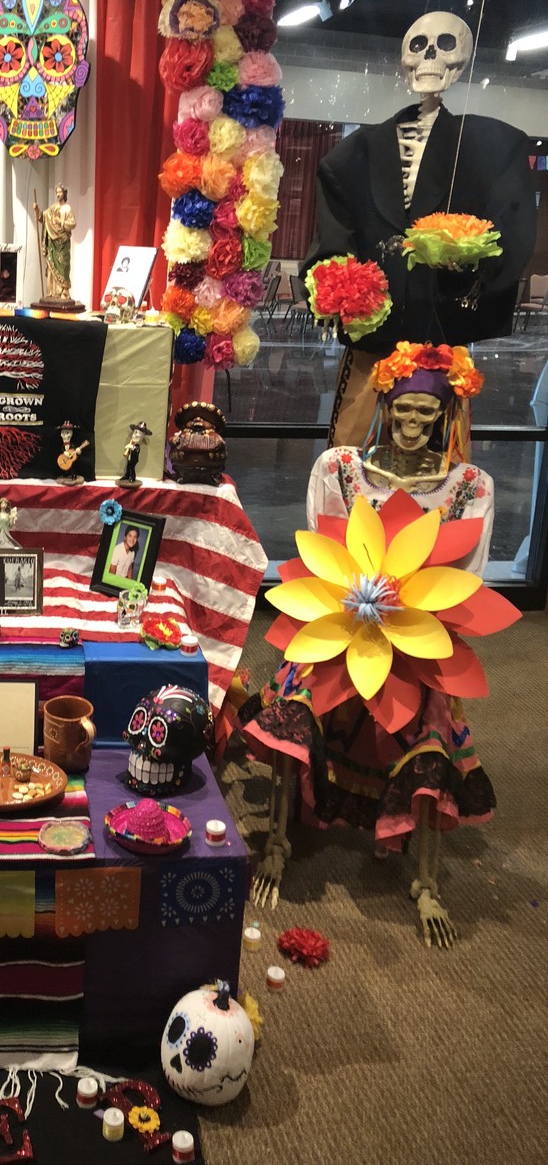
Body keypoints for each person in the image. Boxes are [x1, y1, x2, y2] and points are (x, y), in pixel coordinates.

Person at [239, 343, 495, 946]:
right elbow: (318, 552)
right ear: (384, 404)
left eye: (425, 415)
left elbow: (468, 580)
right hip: (341, 622)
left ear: (446, 415)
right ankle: (278, 837)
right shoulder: (338, 469)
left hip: (415, 631)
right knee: (297, 703)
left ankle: (425, 877)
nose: (411, 426)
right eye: (402, 410)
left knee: (427, 729)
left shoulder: (468, 485)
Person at [302, 11, 536, 448]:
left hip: (442, 339)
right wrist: (344, 295)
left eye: (444, 45)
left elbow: (512, 233)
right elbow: (332, 243)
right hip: (372, 344)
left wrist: (466, 275)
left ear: (461, 61)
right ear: (405, 58)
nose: (430, 57)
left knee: (437, 468)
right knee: (354, 459)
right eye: (419, 46)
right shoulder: (355, 154)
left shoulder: (493, 145)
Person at [34, 184, 77, 301]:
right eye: (57, 192)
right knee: (51, 267)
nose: (58, 194)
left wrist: (61, 223)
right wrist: (37, 210)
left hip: (62, 242)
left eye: (60, 192)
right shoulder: (52, 208)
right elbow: (42, 217)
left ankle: (64, 291)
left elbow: (73, 224)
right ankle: (53, 292)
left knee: (63, 266)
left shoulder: (67, 209)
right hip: (52, 243)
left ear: (64, 193)